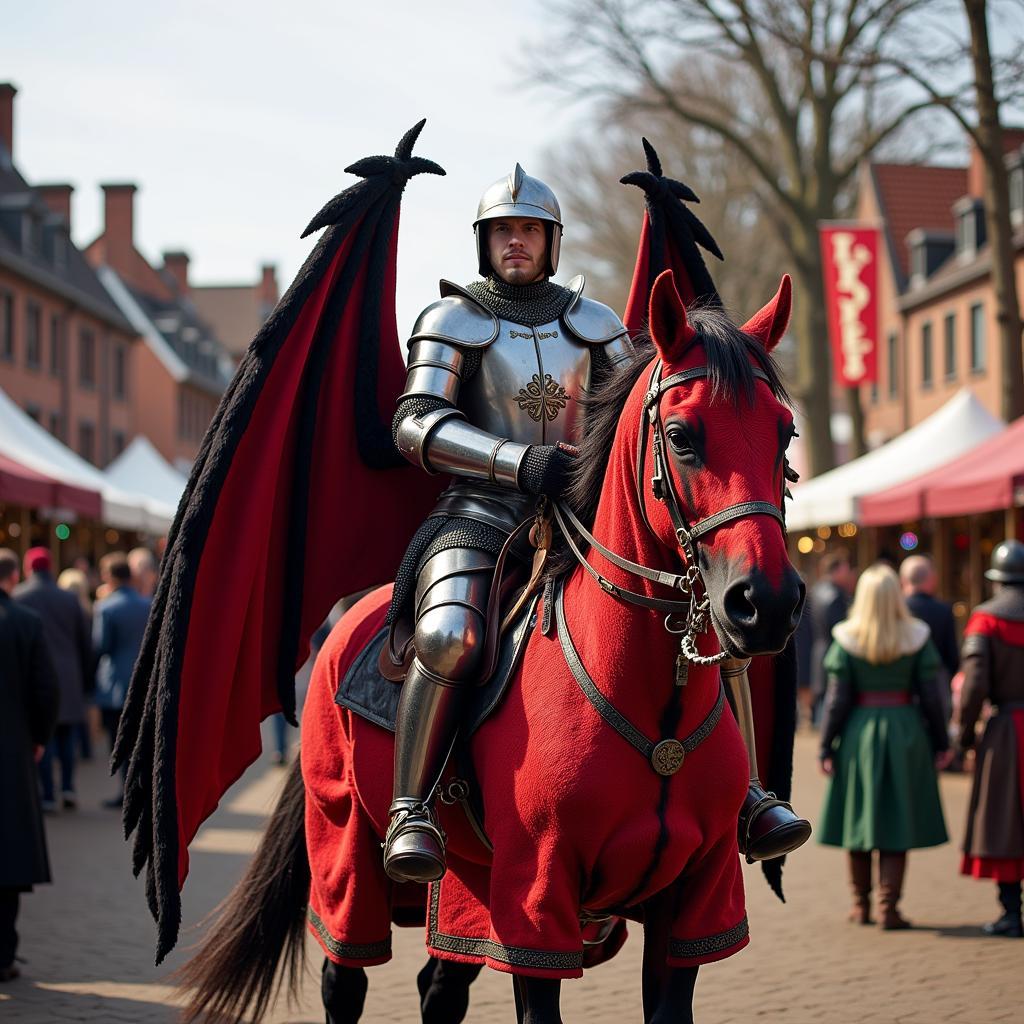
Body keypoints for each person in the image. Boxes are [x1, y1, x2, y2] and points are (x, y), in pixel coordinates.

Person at [382, 165, 635, 882]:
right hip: (481, 512)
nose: (515, 242)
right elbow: (415, 421)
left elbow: (628, 416)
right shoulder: (452, 318)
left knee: (688, 605)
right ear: (483, 243)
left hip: (586, 516)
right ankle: (412, 808)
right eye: (502, 232)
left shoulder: (599, 323)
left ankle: (746, 794)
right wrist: (517, 462)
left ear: (552, 241)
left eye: (527, 230)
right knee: (450, 633)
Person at [818, 563, 950, 929]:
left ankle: (861, 906)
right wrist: (942, 742)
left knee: (857, 822)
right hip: (906, 731)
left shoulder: (846, 637)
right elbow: (933, 697)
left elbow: (836, 701)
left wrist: (825, 746)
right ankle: (889, 908)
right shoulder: (916, 636)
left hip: (859, 733)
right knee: (898, 822)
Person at [955, 539, 1024, 939]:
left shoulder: (985, 620)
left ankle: (1011, 913)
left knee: (1005, 822)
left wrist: (965, 735)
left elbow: (974, 685)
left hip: (1006, 734)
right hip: (1010, 728)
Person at [0, 548, 59, 982]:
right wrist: (39, 739)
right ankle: (3, 954)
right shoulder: (24, 623)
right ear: (12, 576)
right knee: (7, 858)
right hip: (10, 755)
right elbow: (45, 690)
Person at [13, 548, 91, 811]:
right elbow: (84, 641)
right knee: (66, 735)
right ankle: (68, 786)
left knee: (42, 737)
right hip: (68, 675)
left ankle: (48, 793)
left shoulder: (19, 597)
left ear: (27, 568)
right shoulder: (69, 599)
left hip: (33, 678)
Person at [93, 552, 151, 808]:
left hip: (115, 685)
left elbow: (101, 646)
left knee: (118, 741)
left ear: (110, 577)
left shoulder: (106, 607)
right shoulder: (146, 604)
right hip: (143, 683)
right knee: (139, 738)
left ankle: (126, 792)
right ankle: (140, 790)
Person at [900, 554, 959, 722]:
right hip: (937, 683)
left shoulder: (898, 611)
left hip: (905, 687)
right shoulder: (943, 610)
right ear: (931, 579)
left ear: (903, 580)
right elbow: (952, 657)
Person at [808, 551, 854, 725]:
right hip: (832, 651)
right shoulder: (835, 596)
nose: (848, 574)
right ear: (836, 571)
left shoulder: (817, 590)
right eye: (845, 569)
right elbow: (839, 630)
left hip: (819, 650)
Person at [57, 568, 96, 761]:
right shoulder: (88, 609)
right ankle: (86, 748)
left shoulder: (63, 607)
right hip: (78, 667)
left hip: (68, 667)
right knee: (80, 711)